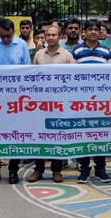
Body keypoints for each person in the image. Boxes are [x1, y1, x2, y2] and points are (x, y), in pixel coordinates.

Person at [0, 19, 30, 185]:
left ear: (13, 32)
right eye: (2, 36)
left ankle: (13, 170)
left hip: (15, 99)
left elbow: (26, 72)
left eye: (8, 36)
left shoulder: (21, 45)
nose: (5, 40)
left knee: (15, 133)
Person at [29, 26, 75, 183]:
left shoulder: (67, 56)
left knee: (58, 136)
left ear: (59, 36)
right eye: (47, 35)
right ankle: (38, 169)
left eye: (53, 35)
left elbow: (73, 80)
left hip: (60, 104)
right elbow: (32, 78)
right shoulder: (39, 55)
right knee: (39, 136)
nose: (49, 38)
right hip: (40, 104)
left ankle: (57, 170)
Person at [72, 20, 111, 183]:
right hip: (81, 101)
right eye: (90, 29)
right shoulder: (76, 50)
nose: (93, 32)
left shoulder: (107, 51)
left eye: (96, 29)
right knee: (83, 134)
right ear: (85, 32)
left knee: (100, 134)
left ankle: (100, 169)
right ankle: (84, 168)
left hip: (101, 101)